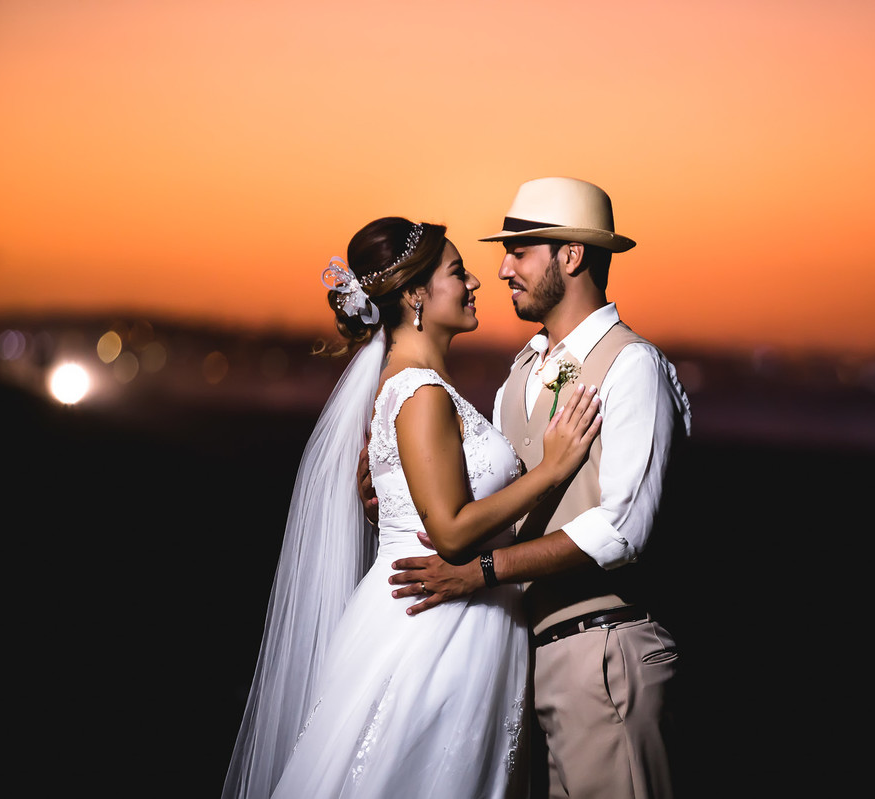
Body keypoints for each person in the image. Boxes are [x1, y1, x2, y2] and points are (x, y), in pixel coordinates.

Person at [222, 216, 602, 799]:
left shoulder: (415, 385)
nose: (476, 281)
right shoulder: (420, 393)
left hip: (454, 616)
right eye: (457, 272)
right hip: (437, 624)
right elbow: (449, 533)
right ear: (415, 295)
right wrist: (553, 469)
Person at [378, 178, 692, 798]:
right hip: (523, 662)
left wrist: (483, 572)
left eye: (519, 251)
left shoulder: (632, 366)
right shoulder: (519, 374)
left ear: (570, 256)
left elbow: (622, 530)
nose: (501, 269)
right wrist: (396, 489)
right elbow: (494, 503)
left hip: (604, 656)